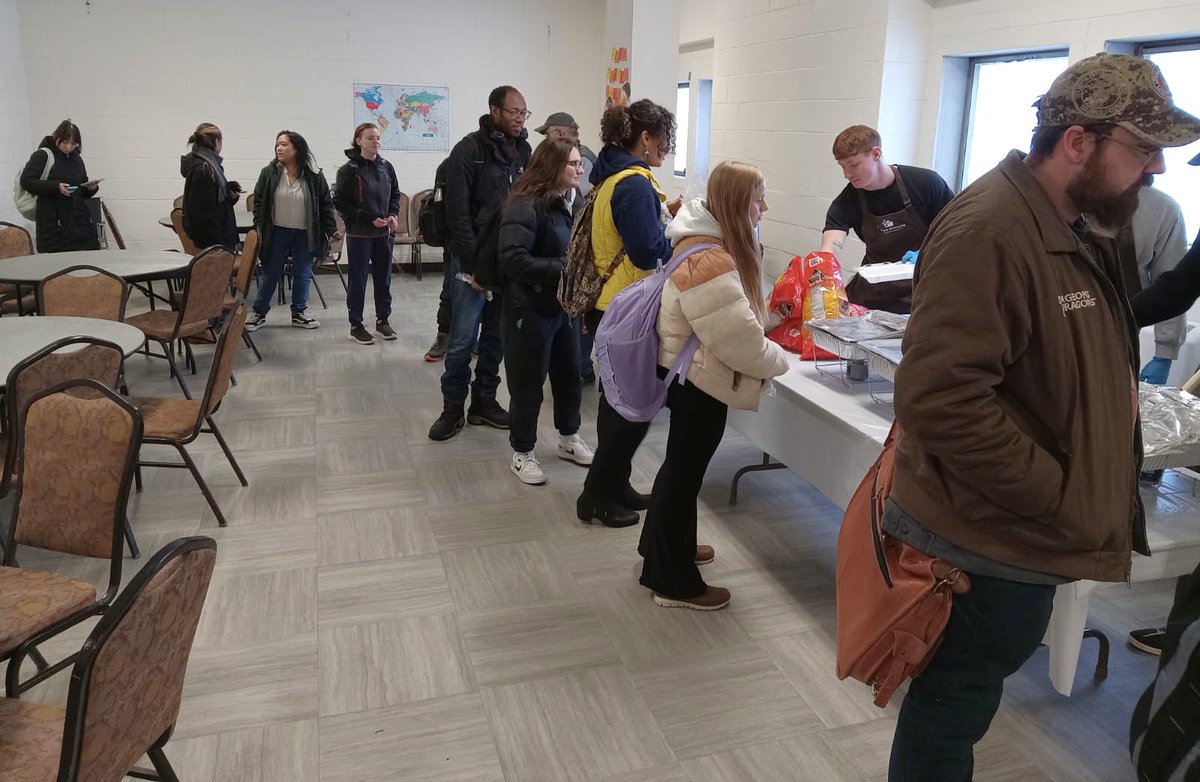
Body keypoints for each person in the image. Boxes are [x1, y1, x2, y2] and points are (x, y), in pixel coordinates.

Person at [883, 53, 1200, 781]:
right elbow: (940, 399)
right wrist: (1055, 494)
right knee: (951, 705)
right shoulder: (992, 229)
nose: (1156, 169)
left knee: (963, 698)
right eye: (1143, 148)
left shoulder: (1074, 222)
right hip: (988, 535)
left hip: (1016, 532)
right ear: (1078, 141)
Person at [638, 160, 789, 610]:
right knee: (683, 477)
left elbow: (733, 317)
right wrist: (783, 363)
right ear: (739, 204)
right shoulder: (710, 258)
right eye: (759, 198)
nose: (766, 206)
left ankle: (665, 552)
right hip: (699, 381)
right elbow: (739, 341)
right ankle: (673, 583)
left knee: (679, 472)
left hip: (692, 375)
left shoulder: (703, 243)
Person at [575, 98, 682, 528]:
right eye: (664, 140)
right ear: (645, 138)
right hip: (629, 310)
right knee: (631, 412)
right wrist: (682, 238)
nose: (666, 149)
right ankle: (594, 497)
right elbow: (646, 249)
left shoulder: (612, 175)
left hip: (612, 306)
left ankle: (614, 484)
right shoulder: (635, 183)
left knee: (615, 405)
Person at [427, 86, 533, 441]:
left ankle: (484, 401)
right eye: (514, 111)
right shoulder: (467, 151)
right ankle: (453, 407)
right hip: (469, 263)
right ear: (495, 110)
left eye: (524, 113)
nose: (520, 118)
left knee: (495, 339)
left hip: (506, 261)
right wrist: (477, 267)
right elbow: (458, 215)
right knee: (460, 341)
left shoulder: (523, 151)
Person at [498, 138, 595, 484]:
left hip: (564, 308)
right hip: (530, 308)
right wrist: (566, 268)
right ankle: (522, 451)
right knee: (528, 383)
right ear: (551, 166)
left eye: (579, 163)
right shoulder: (525, 205)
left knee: (570, 377)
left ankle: (569, 438)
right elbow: (512, 260)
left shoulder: (575, 200)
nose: (579, 169)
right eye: (572, 164)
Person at [819, 125, 954, 313]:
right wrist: (823, 268)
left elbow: (956, 231)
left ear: (876, 153)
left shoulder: (926, 184)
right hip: (875, 292)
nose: (847, 174)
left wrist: (926, 253)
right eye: (842, 167)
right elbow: (831, 244)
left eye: (854, 164)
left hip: (923, 288)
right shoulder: (847, 200)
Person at [246, 130, 337, 332]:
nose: (279, 148)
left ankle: (299, 313)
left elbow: (325, 204)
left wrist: (331, 230)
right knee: (271, 272)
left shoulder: (313, 174)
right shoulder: (269, 172)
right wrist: (260, 223)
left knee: (302, 272)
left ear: (297, 149)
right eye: (277, 144)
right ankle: (259, 313)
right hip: (276, 231)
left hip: (304, 232)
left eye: (285, 144)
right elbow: (259, 201)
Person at [534, 111, 601, 384]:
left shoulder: (581, 160)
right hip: (567, 260)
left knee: (579, 321)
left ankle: (581, 368)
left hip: (578, 255)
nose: (546, 140)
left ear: (561, 133)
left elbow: (580, 206)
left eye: (548, 133)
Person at [333, 122, 401, 345]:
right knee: (359, 280)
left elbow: (395, 195)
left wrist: (393, 214)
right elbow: (340, 202)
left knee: (384, 279)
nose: (376, 141)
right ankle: (356, 324)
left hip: (384, 235)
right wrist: (367, 216)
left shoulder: (387, 167)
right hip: (360, 234)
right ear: (358, 141)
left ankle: (383, 320)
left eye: (378, 137)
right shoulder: (348, 170)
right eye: (370, 138)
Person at [1128, 186, 1189, 386]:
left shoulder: (1163, 209)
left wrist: (1165, 352)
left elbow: (1177, 285)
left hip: (1121, 337)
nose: (1159, 167)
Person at [20, 120, 100, 254]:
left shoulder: (77, 159)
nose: (69, 147)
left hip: (80, 221)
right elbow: (26, 181)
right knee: (59, 267)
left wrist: (91, 188)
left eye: (73, 144)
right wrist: (56, 187)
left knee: (87, 263)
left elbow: (80, 188)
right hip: (53, 222)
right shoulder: (43, 155)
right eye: (65, 143)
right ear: (56, 138)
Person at [180, 122, 242, 251]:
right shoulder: (205, 169)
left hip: (213, 238)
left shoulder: (208, 165)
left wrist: (228, 190)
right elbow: (204, 213)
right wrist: (218, 245)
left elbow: (212, 200)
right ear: (217, 141)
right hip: (213, 242)